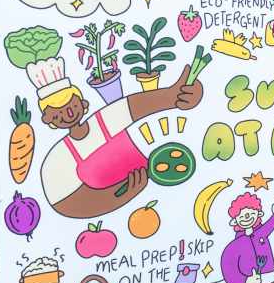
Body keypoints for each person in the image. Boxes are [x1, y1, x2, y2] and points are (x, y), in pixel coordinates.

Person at [37, 58, 203, 219]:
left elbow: (132, 106)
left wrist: (175, 96)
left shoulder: (101, 121)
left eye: (72, 106)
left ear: (83, 103)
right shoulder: (59, 157)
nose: (70, 114)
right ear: (50, 121)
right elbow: (63, 201)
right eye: (59, 114)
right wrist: (119, 197)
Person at [221, 194, 274, 283]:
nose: (247, 217)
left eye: (252, 213)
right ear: (234, 221)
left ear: (259, 214)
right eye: (241, 216)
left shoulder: (260, 233)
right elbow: (228, 266)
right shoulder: (237, 244)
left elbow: (267, 227)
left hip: (269, 277)